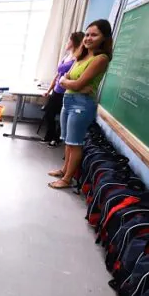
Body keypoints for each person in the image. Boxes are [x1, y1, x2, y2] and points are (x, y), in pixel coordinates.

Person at [48, 19, 113, 189]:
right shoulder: (82, 56)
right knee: (68, 141)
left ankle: (67, 179)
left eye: (94, 35)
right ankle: (64, 170)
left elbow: (73, 83)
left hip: (82, 105)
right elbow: (66, 78)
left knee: (75, 143)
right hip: (69, 100)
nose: (89, 38)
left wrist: (70, 83)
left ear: (104, 38)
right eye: (87, 34)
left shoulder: (101, 59)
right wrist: (71, 83)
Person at [40, 31, 85, 147]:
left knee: (61, 117)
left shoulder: (77, 59)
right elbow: (57, 74)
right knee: (48, 114)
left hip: (66, 92)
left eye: (69, 40)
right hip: (56, 90)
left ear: (74, 42)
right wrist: (49, 90)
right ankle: (50, 135)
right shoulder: (66, 56)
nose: (67, 42)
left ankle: (56, 138)